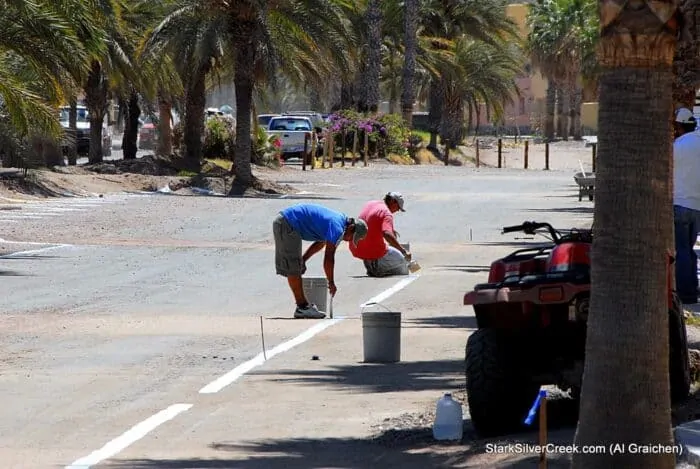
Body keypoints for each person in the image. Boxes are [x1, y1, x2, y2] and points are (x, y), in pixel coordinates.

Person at [273, 203, 368, 318]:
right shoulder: (337, 227)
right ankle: (302, 308)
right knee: (293, 268)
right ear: (351, 228)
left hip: (288, 222)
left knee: (295, 265)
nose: (348, 241)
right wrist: (331, 283)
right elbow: (329, 258)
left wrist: (304, 259)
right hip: (288, 223)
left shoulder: (339, 221)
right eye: (351, 238)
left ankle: (303, 306)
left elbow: (321, 243)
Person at [349, 192, 411, 277]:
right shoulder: (387, 213)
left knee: (386, 247)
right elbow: (386, 234)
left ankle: (372, 267)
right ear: (393, 201)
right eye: (398, 207)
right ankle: (380, 269)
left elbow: (370, 221)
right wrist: (403, 251)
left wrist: (390, 230)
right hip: (374, 252)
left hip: (357, 249)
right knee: (404, 263)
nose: (397, 211)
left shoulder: (371, 203)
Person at [673, 107, 700, 304]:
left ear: (680, 126)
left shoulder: (678, 145)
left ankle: (685, 292)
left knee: (681, 249)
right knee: (690, 249)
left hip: (680, 202)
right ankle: (694, 287)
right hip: (697, 205)